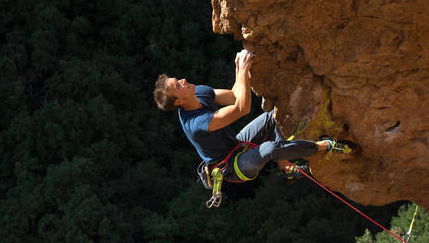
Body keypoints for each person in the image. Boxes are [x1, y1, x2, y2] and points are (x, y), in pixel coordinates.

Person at [153, 49, 356, 192]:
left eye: (178, 79)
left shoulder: (199, 92)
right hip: (232, 167)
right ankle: (326, 147)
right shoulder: (196, 124)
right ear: (179, 102)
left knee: (271, 118)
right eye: (178, 86)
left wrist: (239, 69)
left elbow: (233, 95)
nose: (183, 81)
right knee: (269, 149)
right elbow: (242, 109)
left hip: (236, 144)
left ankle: (286, 169)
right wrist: (242, 71)